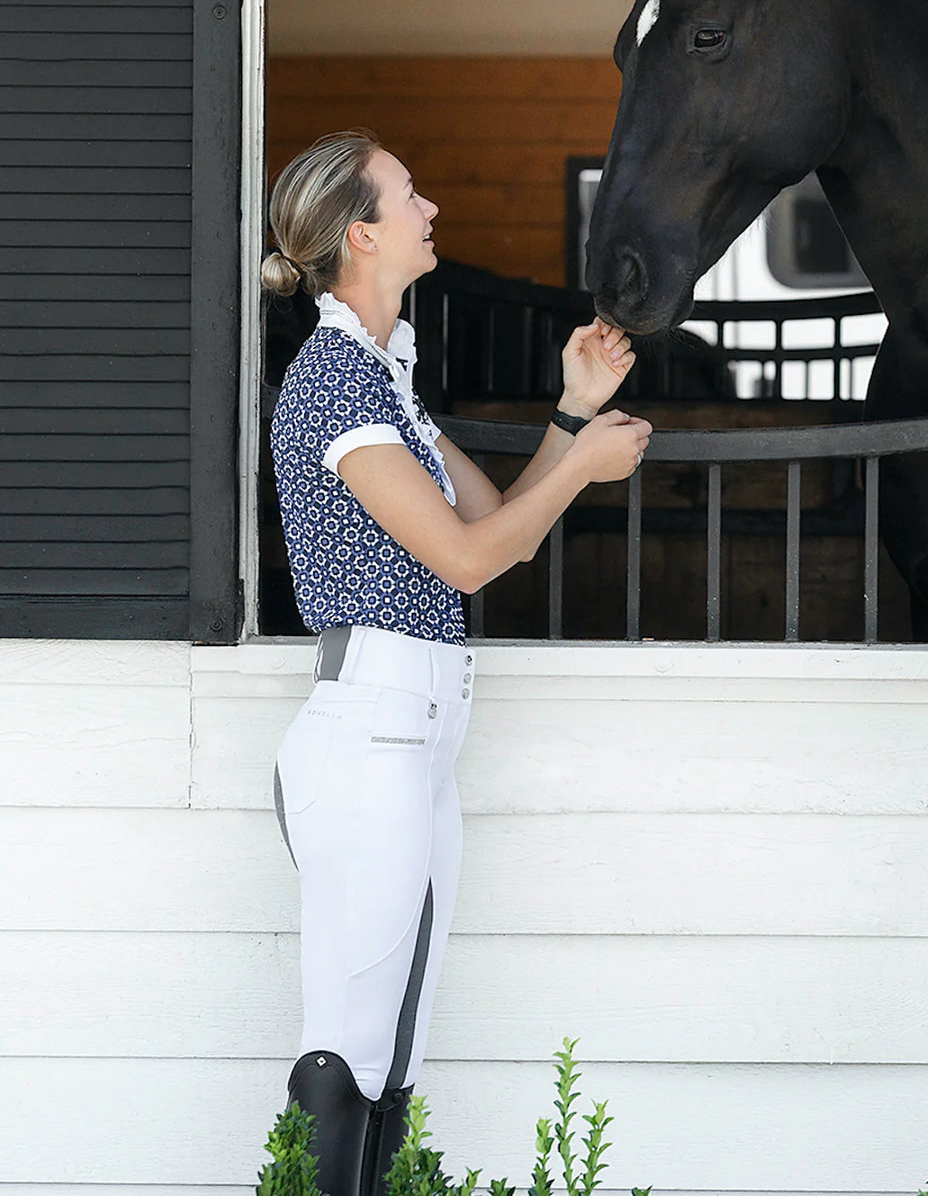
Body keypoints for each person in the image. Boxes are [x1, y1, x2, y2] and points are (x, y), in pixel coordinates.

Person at [261, 129, 651, 1196]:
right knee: (348, 1045)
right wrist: (586, 466)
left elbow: (498, 518)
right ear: (362, 232)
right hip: (369, 734)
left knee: (392, 1058)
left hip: (417, 738)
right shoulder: (335, 385)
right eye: (410, 192)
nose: (431, 205)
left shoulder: (383, 380)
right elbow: (478, 557)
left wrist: (572, 414)